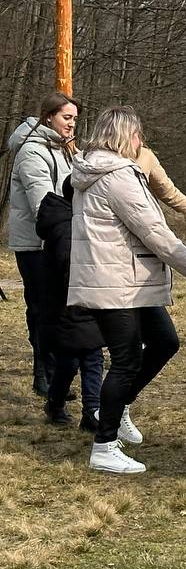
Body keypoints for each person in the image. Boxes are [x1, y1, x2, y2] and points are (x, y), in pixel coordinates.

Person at [67, 107, 186, 473]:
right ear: (122, 136)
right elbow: (154, 232)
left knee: (165, 341)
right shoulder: (117, 176)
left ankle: (115, 407)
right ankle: (104, 445)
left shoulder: (99, 170)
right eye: (137, 135)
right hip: (115, 282)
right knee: (127, 359)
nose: (140, 142)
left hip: (128, 281)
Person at [7, 93, 78, 397]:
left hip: (57, 240)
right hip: (36, 244)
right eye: (66, 117)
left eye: (75, 118)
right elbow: (44, 204)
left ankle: (54, 372)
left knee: (56, 308)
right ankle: (43, 375)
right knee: (41, 308)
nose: (72, 124)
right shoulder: (32, 152)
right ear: (48, 116)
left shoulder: (63, 150)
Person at [35, 177, 103, 432]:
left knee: (93, 355)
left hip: (84, 300)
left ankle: (91, 411)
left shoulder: (80, 220)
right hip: (66, 304)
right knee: (70, 360)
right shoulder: (65, 226)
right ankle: (55, 403)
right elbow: (68, 264)